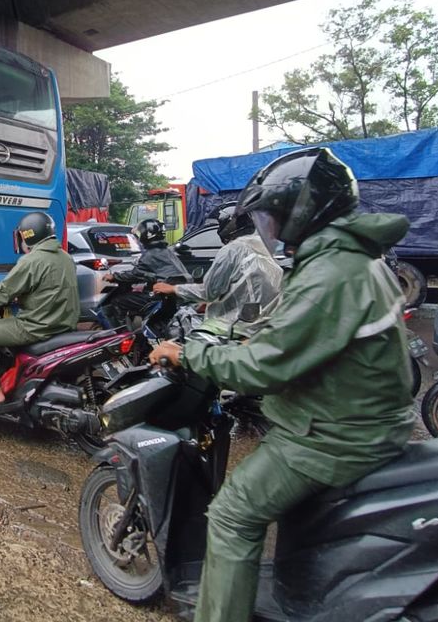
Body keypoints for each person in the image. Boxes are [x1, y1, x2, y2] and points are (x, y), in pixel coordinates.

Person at [148, 147, 414, 622]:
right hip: (355, 419)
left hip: (330, 435)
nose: (268, 226)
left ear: (302, 211)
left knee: (232, 513)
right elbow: (291, 330)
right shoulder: (349, 258)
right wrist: (231, 335)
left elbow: (265, 365)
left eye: (272, 214)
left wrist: (189, 351)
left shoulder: (332, 270)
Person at [0, 211, 79, 409]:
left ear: (28, 235)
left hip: (36, 326)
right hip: (64, 324)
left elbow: (2, 292)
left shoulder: (31, 260)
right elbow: (48, 288)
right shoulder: (65, 258)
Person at [151, 204, 283, 335]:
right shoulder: (262, 246)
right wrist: (209, 302)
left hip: (239, 326)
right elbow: (245, 287)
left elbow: (209, 292)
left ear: (228, 225)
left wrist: (173, 289)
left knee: (183, 340)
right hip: (265, 320)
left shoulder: (233, 250)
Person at [101, 219, 192, 328]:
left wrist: (114, 276)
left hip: (163, 297)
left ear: (146, 235)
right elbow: (154, 274)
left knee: (118, 302)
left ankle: (124, 336)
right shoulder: (166, 251)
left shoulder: (151, 254)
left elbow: (136, 274)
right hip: (175, 295)